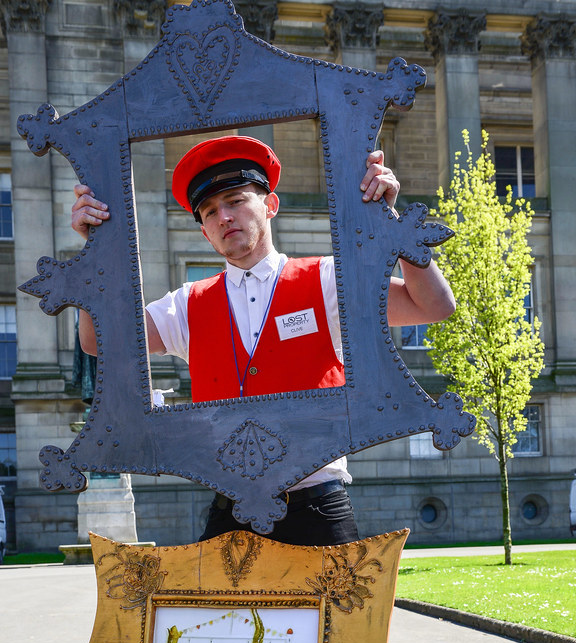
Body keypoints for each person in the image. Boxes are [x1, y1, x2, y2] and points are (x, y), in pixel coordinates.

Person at [72, 136, 455, 546]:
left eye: (236, 200)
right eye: (210, 212)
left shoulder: (326, 280)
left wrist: (390, 222)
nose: (224, 217)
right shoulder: (188, 304)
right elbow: (98, 340)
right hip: (229, 509)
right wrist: (95, 249)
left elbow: (432, 306)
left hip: (317, 507)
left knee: (338, 613)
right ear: (205, 233)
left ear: (270, 205)